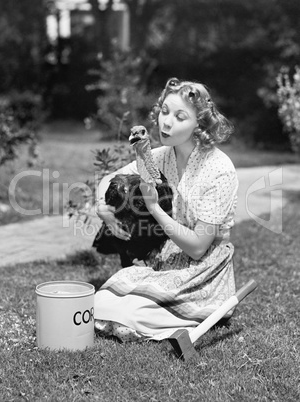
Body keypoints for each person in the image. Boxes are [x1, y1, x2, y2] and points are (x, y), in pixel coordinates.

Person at [93, 77, 238, 342]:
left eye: (180, 116)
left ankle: (151, 313)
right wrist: (104, 211)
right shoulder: (161, 155)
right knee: (101, 302)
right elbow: (108, 179)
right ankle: (138, 309)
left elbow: (197, 247)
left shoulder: (219, 170)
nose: (166, 122)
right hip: (167, 258)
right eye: (164, 111)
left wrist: (154, 208)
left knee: (130, 314)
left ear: (200, 125)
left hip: (204, 268)